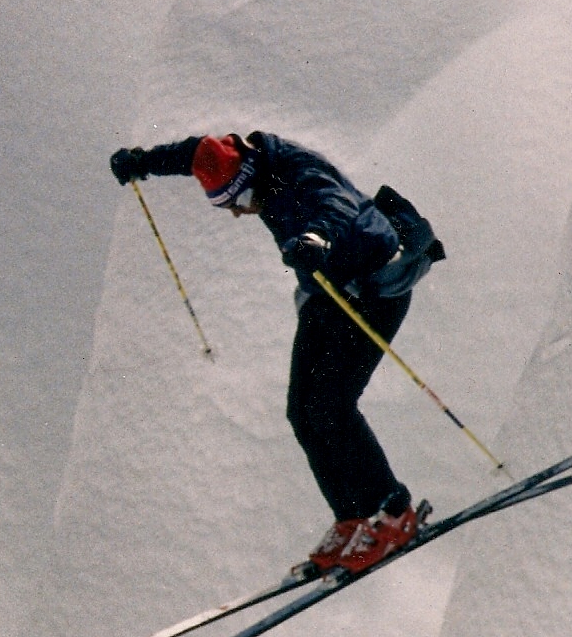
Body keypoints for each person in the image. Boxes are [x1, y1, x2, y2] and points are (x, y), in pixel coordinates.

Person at [109, 130, 442, 573]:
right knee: (300, 411)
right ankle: (352, 519)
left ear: (249, 183)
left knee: (332, 405)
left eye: (233, 202)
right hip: (327, 287)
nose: (234, 214)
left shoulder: (298, 172)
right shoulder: (243, 162)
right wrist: (144, 161)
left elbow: (335, 205)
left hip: (375, 287)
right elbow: (195, 154)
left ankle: (394, 514)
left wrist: (318, 238)